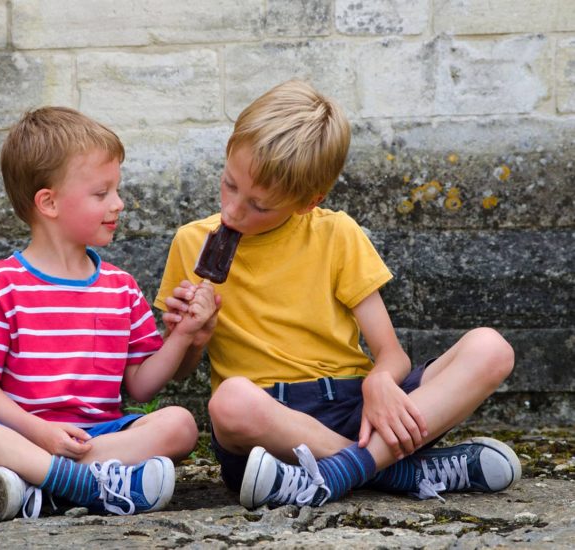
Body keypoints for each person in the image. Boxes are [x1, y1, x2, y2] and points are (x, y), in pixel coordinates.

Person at [154, 79, 520, 510]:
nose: (234, 210)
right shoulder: (191, 241)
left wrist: (381, 381)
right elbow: (181, 374)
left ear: (308, 202)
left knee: (491, 348)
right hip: (269, 429)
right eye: (230, 185)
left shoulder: (336, 233)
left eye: (260, 205)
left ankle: (337, 472)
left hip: (358, 409)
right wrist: (193, 337)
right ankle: (398, 471)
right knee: (229, 401)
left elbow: (391, 353)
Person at [0, 106, 217, 520]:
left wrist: (183, 336)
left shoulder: (121, 287)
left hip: (95, 440)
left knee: (180, 423)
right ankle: (85, 485)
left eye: (116, 190)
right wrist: (37, 431)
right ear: (49, 202)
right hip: (15, 441)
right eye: (101, 193)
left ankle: (44, 491)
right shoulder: (2, 285)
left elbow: (142, 387)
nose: (119, 203)